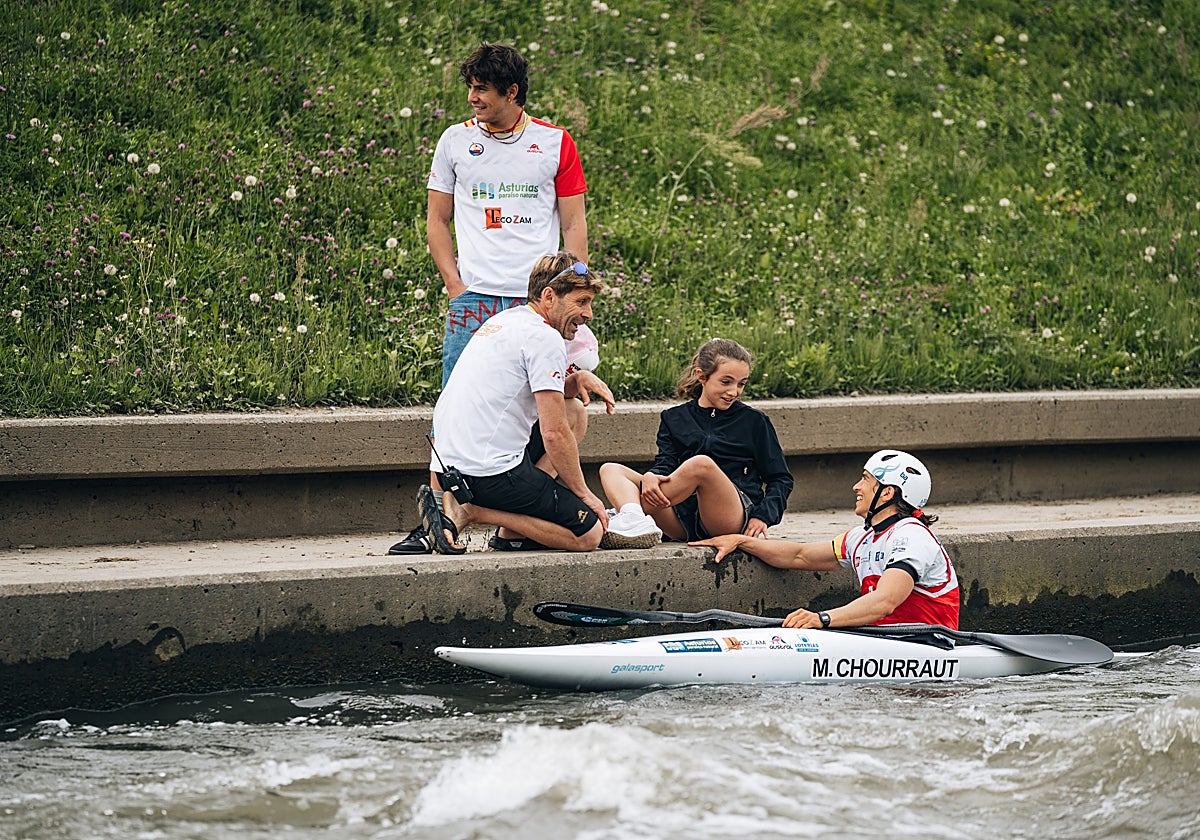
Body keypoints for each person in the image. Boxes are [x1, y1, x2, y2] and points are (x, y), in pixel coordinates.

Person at [389, 41, 589, 555]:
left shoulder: (555, 143)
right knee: (455, 410)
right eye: (471, 87)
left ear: (512, 91)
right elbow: (436, 221)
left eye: (482, 88)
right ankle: (439, 519)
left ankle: (515, 522)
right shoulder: (455, 141)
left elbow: (573, 222)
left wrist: (574, 291)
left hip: (540, 301)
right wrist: (458, 289)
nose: (473, 97)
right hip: (476, 300)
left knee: (558, 405)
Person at [415, 253, 613, 555]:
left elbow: (517, 392)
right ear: (549, 296)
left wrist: (574, 381)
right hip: (488, 476)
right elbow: (554, 433)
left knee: (574, 410)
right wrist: (585, 494)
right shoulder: (545, 337)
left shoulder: (506, 320)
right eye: (581, 301)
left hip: (450, 467)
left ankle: (511, 529)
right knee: (588, 534)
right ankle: (471, 512)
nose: (589, 314)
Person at [692, 450, 961, 630]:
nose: (856, 487)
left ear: (888, 493)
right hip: (885, 642)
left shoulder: (911, 536)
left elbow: (885, 601)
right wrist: (742, 541)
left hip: (927, 646)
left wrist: (821, 619)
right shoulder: (862, 538)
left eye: (865, 480)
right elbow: (799, 555)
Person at [597, 338, 794, 549]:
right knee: (611, 469)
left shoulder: (754, 421)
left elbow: (780, 479)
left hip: (730, 517)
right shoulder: (673, 418)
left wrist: (762, 516)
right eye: (726, 382)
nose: (734, 391)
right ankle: (633, 517)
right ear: (702, 376)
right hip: (680, 519)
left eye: (741, 384)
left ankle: (624, 513)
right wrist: (652, 476)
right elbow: (666, 464)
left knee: (701, 465)